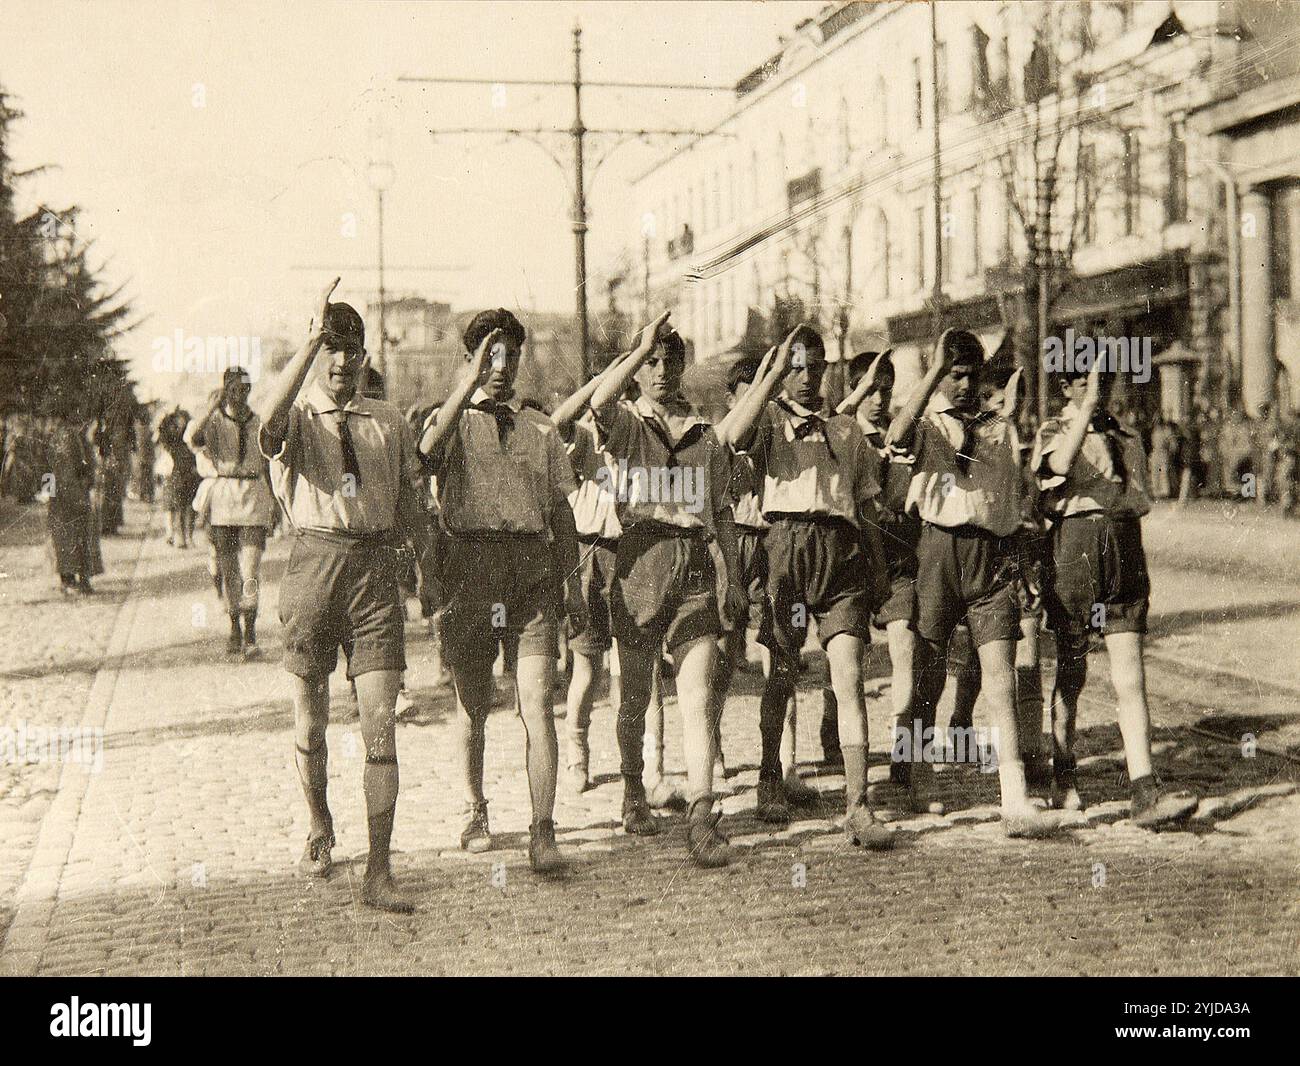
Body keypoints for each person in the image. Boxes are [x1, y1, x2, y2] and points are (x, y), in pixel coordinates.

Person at [254, 278, 430, 913]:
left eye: (349, 347)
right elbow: (266, 425)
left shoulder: (389, 422)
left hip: (374, 574)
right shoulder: (298, 419)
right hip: (313, 565)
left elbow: (412, 505)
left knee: (379, 722)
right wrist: (308, 340)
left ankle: (379, 870)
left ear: (363, 354)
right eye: (329, 348)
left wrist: (424, 572)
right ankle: (320, 825)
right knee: (311, 718)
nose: (340, 361)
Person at [418, 307, 585, 875]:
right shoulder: (451, 422)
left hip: (532, 572)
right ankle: (475, 808)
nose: (501, 365)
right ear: (469, 361)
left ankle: (543, 829)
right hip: (471, 567)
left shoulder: (541, 427)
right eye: (489, 354)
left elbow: (561, 511)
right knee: (475, 705)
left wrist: (575, 587)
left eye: (510, 354)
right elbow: (425, 457)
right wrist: (463, 390)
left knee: (537, 703)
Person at [716, 326, 893, 848]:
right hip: (787, 552)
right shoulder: (768, 420)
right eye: (796, 367)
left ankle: (858, 804)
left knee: (849, 675)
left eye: (815, 366)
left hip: (841, 558)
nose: (808, 377)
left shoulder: (846, 431)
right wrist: (767, 379)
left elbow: (866, 507)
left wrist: (879, 571)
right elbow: (730, 437)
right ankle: (770, 776)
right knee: (783, 670)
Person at [886, 329, 1061, 837]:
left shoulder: (998, 427)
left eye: (967, 375)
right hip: (939, 548)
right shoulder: (928, 423)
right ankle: (918, 770)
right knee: (928, 673)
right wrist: (933, 374)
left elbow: (1010, 495)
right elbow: (896, 437)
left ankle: (1015, 797)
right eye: (952, 375)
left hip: (990, 554)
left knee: (1000, 677)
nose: (961, 384)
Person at [589, 310, 745, 868]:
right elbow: (597, 407)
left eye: (668, 360)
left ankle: (702, 814)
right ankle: (634, 789)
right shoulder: (629, 423)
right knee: (634, 695)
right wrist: (636, 349)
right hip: (640, 560)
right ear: (636, 369)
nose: (660, 371)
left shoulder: (704, 431)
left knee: (698, 695)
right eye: (650, 362)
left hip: (695, 563)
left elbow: (722, 512)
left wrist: (733, 575)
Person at [1033, 354, 1199, 829]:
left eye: (1102, 377)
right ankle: (1064, 775)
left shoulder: (1126, 435)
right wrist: (1085, 413)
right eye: (1086, 378)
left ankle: (1144, 790)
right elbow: (1060, 468)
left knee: (1131, 674)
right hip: (1074, 549)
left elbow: (1140, 499)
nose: (1097, 386)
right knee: (1072, 669)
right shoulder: (1052, 431)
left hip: (1122, 548)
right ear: (1066, 386)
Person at [711, 353, 817, 808]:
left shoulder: (779, 426)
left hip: (771, 543)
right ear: (734, 398)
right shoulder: (721, 438)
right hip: (729, 547)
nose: (760, 400)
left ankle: (780, 769)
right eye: (749, 393)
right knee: (721, 653)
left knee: (782, 653)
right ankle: (709, 751)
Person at [550, 353, 634, 796]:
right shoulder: (582, 437)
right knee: (587, 666)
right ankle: (577, 753)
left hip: (634, 553)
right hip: (589, 552)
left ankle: (638, 760)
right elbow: (557, 420)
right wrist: (600, 380)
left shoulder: (637, 432)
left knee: (632, 667)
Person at [190, 368, 277, 659]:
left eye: (244, 389)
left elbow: (268, 462)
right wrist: (213, 406)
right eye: (234, 389)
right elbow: (193, 439)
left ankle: (250, 629)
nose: (240, 395)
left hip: (253, 496)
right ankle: (233, 628)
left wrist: (274, 503)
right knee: (229, 571)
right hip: (224, 498)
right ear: (225, 391)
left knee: (250, 570)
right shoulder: (214, 421)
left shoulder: (258, 422)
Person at [43, 403, 104, 595]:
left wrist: (48, 494)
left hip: (59, 496)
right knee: (81, 537)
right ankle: (83, 581)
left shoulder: (53, 438)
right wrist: (90, 488)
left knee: (62, 539)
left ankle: (67, 580)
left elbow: (46, 468)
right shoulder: (78, 438)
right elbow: (87, 467)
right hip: (76, 495)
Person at [156, 408, 200, 548]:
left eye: (183, 419)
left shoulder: (191, 435)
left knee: (191, 509)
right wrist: (166, 416)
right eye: (177, 420)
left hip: (191, 474)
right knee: (179, 507)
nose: (180, 423)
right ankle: (180, 536)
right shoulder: (171, 439)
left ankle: (189, 536)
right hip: (176, 475)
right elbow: (161, 433)